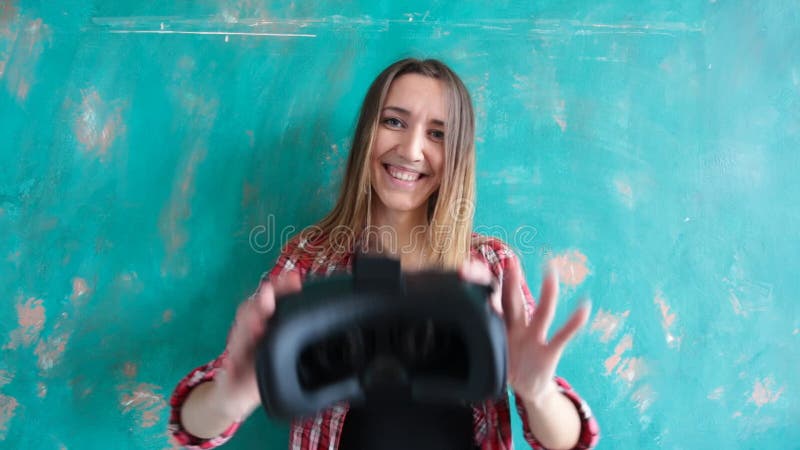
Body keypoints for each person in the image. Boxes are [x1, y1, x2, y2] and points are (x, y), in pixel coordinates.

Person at [169, 58, 600, 449]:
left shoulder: (491, 267)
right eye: (394, 122)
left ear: (458, 154)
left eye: (437, 133)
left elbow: (566, 442)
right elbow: (194, 426)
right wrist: (231, 396)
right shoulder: (310, 259)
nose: (411, 150)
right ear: (366, 135)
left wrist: (538, 393)